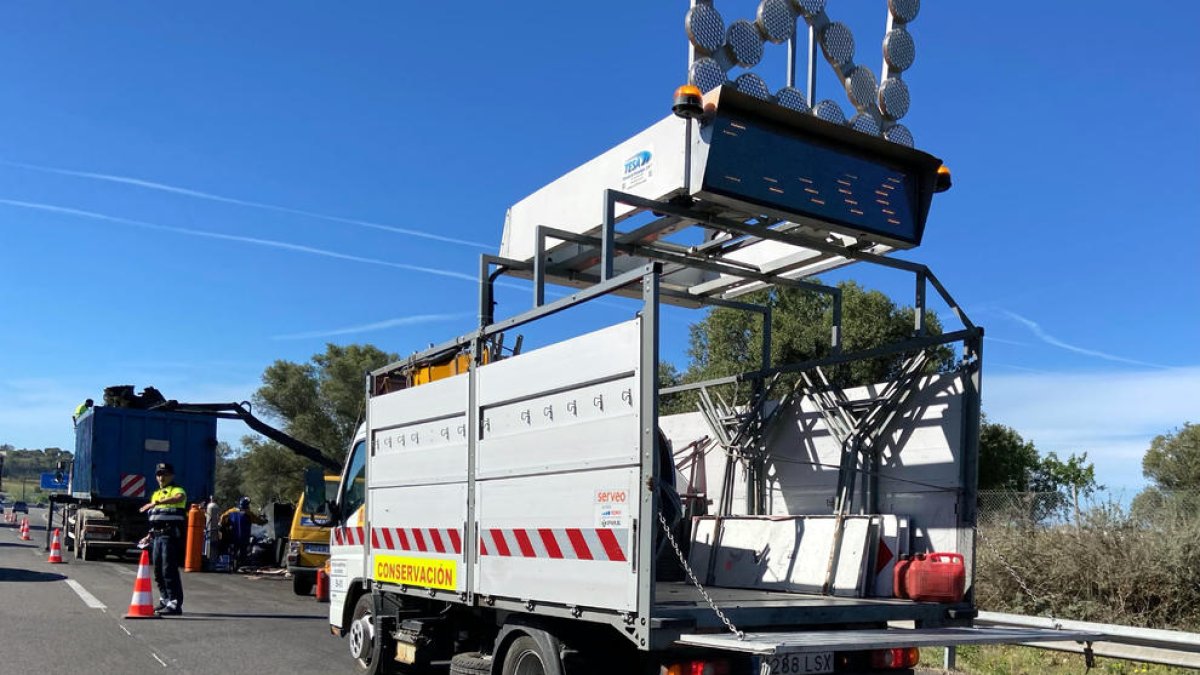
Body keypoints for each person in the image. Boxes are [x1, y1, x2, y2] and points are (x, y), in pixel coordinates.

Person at [139, 462, 187, 615]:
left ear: (171, 475)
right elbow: (155, 518)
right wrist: (148, 535)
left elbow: (179, 497)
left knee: (169, 569)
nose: (161, 477)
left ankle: (174, 603)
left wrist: (157, 503)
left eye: (165, 474)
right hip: (157, 536)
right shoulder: (155, 494)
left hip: (170, 535)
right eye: (159, 474)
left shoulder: (176, 490)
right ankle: (165, 599)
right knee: (158, 570)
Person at [220, 496, 266, 571]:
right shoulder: (248, 514)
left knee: (233, 551)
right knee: (243, 553)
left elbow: (222, 517)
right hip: (244, 538)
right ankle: (240, 566)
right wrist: (264, 521)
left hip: (233, 536)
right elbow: (258, 521)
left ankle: (232, 565)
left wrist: (224, 525)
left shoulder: (231, 511)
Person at [204, 496, 220, 567]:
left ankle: (211, 562)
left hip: (211, 531)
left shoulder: (211, 506)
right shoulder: (213, 506)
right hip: (212, 531)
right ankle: (211, 561)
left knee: (211, 545)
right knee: (210, 544)